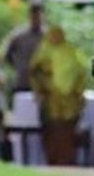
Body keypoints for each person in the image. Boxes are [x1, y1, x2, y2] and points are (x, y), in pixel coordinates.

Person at [29, 25, 88, 165]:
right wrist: (40, 89)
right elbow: (34, 72)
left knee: (67, 132)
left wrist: (78, 92)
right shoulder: (43, 51)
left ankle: (67, 160)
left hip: (70, 102)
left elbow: (80, 74)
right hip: (50, 100)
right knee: (52, 130)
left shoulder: (71, 51)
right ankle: (53, 160)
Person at [3, 0, 45, 99]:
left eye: (38, 15)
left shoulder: (47, 36)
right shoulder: (19, 35)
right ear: (30, 16)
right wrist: (18, 66)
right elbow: (7, 55)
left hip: (42, 83)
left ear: (43, 16)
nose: (36, 18)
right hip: (23, 80)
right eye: (33, 15)